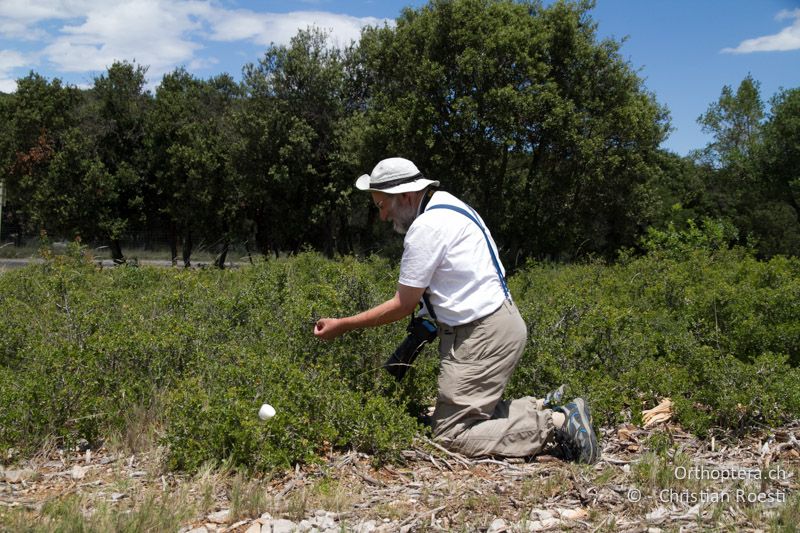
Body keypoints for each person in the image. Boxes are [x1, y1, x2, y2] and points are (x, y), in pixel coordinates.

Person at [313, 157, 600, 463]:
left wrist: (342, 324)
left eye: (383, 205)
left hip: (482, 335)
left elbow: (402, 305)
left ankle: (557, 423)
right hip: (498, 324)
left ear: (407, 197)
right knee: (465, 414)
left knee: (451, 434)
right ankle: (541, 407)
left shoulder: (426, 227)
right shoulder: (451, 205)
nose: (382, 216)